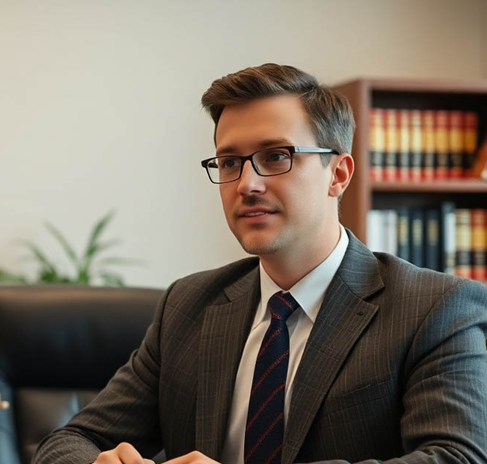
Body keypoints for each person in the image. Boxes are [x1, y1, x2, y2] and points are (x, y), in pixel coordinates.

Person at [32, 63, 487, 464]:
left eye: (276, 156)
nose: (246, 184)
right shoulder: (187, 306)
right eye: (230, 162)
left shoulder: (436, 309)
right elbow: (70, 442)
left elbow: (456, 457)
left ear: (338, 174)